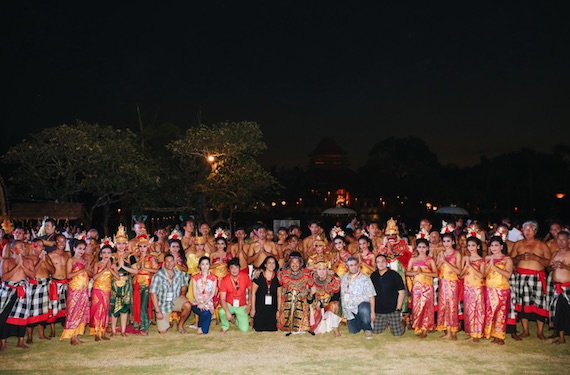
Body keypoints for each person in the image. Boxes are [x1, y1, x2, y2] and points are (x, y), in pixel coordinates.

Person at [511, 220, 551, 340]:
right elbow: (511, 260)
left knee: (539, 303)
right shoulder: (518, 244)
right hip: (521, 277)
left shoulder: (542, 245)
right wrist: (519, 258)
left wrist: (536, 258)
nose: (527, 232)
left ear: (535, 231)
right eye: (525, 229)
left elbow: (549, 263)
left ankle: (540, 332)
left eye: (530, 229)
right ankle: (525, 330)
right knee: (522, 304)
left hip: (537, 277)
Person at [0, 241, 35, 351]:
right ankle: (3, 343)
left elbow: (32, 275)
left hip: (22, 291)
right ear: (13, 249)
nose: (24, 249)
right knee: (4, 316)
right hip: (8, 291)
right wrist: (17, 265)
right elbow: (4, 277)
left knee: (22, 316)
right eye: (21, 247)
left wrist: (22, 266)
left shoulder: (28, 261)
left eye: (24, 247)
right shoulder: (6, 261)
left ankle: (21, 341)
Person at [150, 254, 191, 334]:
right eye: (167, 261)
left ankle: (180, 326)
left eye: (171, 261)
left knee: (188, 305)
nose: (170, 263)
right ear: (164, 263)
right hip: (163, 304)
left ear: (174, 262)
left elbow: (184, 284)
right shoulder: (158, 276)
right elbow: (153, 294)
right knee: (162, 331)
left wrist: (183, 293)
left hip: (175, 300)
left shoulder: (180, 273)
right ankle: (165, 322)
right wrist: (158, 311)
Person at [483, 236, 514, 345]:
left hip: (501, 289)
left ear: (501, 246)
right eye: (492, 245)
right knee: (490, 311)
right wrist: (489, 264)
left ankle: (500, 336)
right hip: (489, 288)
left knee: (500, 312)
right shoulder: (487, 258)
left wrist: (494, 266)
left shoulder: (507, 259)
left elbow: (508, 275)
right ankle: (490, 333)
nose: (494, 248)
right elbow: (484, 274)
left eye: (496, 245)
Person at [60, 240, 91, 345]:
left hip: (84, 289)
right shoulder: (71, 260)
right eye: (79, 248)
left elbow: (90, 273)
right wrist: (82, 270)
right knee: (74, 312)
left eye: (83, 249)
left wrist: (88, 268)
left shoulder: (85, 260)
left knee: (81, 312)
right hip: (74, 290)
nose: (82, 251)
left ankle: (76, 335)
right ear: (74, 249)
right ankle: (72, 336)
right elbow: (68, 276)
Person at [26, 238, 56, 343]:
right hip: (34, 286)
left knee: (44, 310)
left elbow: (53, 270)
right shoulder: (29, 258)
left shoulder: (46, 257)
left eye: (43, 246)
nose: (42, 248)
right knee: (31, 311)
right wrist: (40, 260)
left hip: (45, 284)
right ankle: (29, 336)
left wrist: (44, 261)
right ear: (33, 246)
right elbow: (31, 272)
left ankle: (41, 334)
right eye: (40, 245)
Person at [406, 238, 437, 338]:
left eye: (424, 247)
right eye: (419, 247)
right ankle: (417, 326)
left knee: (426, 307)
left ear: (427, 248)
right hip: (416, 287)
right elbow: (407, 272)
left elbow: (436, 273)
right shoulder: (413, 259)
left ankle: (425, 329)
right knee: (416, 307)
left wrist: (423, 272)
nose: (422, 249)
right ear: (417, 248)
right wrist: (415, 273)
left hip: (427, 287)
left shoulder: (430, 260)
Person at [340, 256, 376, 339]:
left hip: (362, 306)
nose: (353, 267)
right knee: (353, 331)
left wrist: (373, 312)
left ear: (358, 265)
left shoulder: (365, 278)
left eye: (355, 265)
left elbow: (371, 296)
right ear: (347, 266)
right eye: (351, 265)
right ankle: (362, 322)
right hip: (350, 309)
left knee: (364, 308)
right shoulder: (343, 278)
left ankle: (368, 328)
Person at [110, 224, 136, 337]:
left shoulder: (130, 256)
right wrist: (117, 265)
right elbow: (108, 269)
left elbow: (136, 271)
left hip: (126, 281)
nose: (121, 246)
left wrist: (124, 266)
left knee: (125, 307)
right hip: (114, 282)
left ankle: (123, 330)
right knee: (114, 307)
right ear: (116, 244)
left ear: (126, 244)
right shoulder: (111, 256)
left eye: (123, 243)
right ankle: (114, 330)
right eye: (119, 243)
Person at [370, 254, 406, 336]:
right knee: (376, 331)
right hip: (378, 311)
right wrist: (372, 311)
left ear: (387, 263)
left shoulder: (395, 275)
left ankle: (402, 322)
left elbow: (401, 292)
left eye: (383, 261)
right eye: (378, 262)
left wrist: (398, 309)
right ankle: (386, 323)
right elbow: (371, 294)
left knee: (397, 333)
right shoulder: (373, 276)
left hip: (392, 310)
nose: (381, 263)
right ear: (376, 264)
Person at [277, 251, 312, 335]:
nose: (295, 264)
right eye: (292, 262)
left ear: (301, 263)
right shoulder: (283, 274)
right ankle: (287, 325)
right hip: (287, 301)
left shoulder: (306, 274)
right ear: (289, 263)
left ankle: (301, 326)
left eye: (297, 262)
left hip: (302, 301)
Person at [89, 244, 119, 341]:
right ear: (101, 254)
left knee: (105, 311)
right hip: (97, 289)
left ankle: (102, 332)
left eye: (109, 252)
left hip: (107, 290)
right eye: (104, 252)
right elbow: (94, 277)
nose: (106, 254)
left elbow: (118, 277)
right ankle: (96, 332)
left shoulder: (113, 265)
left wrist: (110, 268)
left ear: (111, 254)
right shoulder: (97, 264)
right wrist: (104, 269)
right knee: (97, 310)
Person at [436, 232, 462, 340]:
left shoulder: (457, 254)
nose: (446, 243)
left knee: (453, 306)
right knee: (443, 306)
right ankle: (447, 331)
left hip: (452, 283)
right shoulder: (440, 253)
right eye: (444, 241)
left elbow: (459, 271)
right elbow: (437, 269)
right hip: (443, 282)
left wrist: (446, 261)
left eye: (448, 241)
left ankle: (454, 331)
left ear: (453, 242)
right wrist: (441, 261)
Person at [461, 236, 486, 342]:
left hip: (477, 287)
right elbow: (460, 274)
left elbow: (482, 275)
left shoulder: (481, 260)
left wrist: (471, 267)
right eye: (469, 245)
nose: (471, 248)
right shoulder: (465, 258)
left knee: (477, 310)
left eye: (473, 245)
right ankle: (471, 333)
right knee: (468, 310)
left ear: (478, 246)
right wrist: (465, 268)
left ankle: (477, 333)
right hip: (467, 287)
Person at [132, 234, 158, 335]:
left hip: (147, 282)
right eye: (140, 246)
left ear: (147, 246)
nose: (142, 248)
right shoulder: (136, 258)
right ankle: (139, 323)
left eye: (144, 246)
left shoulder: (151, 258)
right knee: (137, 304)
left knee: (144, 306)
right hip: (137, 283)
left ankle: (145, 327)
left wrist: (145, 269)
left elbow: (156, 270)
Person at [547, 230, 570, 344]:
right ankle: (561, 337)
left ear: (568, 241)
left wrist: (565, 266)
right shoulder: (555, 254)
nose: (560, 242)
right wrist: (553, 267)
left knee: (566, 312)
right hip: (556, 287)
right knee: (558, 312)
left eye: (563, 240)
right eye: (558, 240)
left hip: (567, 287)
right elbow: (548, 268)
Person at [307, 261, 341, 336]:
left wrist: (322, 304)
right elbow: (309, 301)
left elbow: (336, 297)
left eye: (324, 269)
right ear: (316, 270)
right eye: (319, 269)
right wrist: (311, 293)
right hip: (316, 307)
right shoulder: (312, 280)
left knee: (335, 305)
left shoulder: (333, 280)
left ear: (327, 270)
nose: (322, 272)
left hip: (328, 307)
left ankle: (335, 329)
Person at [219, 257, 252, 333]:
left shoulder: (245, 276)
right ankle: (225, 326)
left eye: (236, 267)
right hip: (230, 304)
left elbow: (251, 291)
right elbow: (222, 299)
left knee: (244, 330)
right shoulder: (225, 280)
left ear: (239, 268)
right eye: (232, 268)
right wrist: (227, 311)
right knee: (222, 312)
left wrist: (249, 304)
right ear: (228, 270)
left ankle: (234, 320)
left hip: (242, 305)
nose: (234, 270)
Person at [46, 234, 70, 337]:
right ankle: (52, 330)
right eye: (59, 241)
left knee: (68, 307)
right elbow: (48, 271)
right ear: (55, 242)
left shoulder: (68, 254)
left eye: (63, 241)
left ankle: (67, 327)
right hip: (55, 283)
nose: (61, 243)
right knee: (53, 307)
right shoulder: (50, 255)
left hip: (66, 282)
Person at [251, 256, 281, 331]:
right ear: (265, 265)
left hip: (272, 308)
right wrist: (253, 308)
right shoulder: (258, 276)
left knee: (271, 329)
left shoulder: (278, 277)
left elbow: (279, 295)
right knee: (258, 329)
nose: (271, 265)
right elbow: (253, 293)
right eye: (269, 263)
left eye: (273, 263)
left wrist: (278, 310)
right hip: (260, 308)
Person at [190, 256, 217, 335]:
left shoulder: (214, 277)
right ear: (199, 266)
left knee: (205, 331)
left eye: (207, 264)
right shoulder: (195, 277)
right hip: (197, 300)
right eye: (203, 264)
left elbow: (212, 293)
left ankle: (201, 327)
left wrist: (204, 303)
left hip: (208, 300)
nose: (205, 266)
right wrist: (199, 303)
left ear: (209, 265)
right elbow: (194, 292)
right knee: (204, 312)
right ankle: (199, 327)